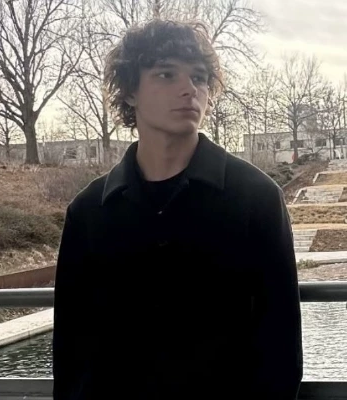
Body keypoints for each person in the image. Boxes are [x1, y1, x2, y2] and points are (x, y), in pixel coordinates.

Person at [52, 18, 303, 400]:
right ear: (130, 91)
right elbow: (71, 352)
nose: (189, 89)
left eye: (199, 77)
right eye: (166, 74)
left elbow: (281, 347)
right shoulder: (88, 212)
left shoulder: (256, 198)